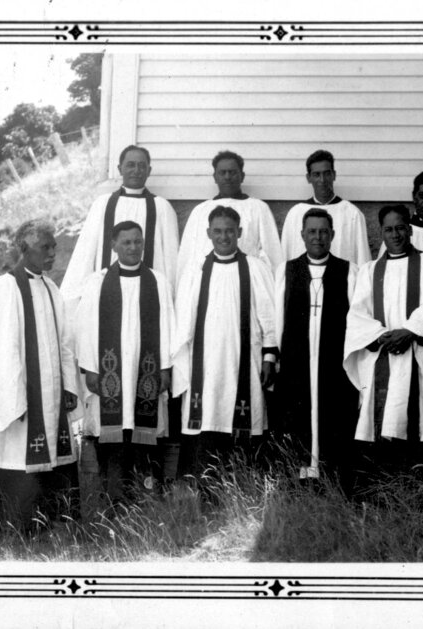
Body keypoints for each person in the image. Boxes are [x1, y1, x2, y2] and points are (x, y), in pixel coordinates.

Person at [0, 219, 80, 533]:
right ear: (23, 249)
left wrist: (68, 385)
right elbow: (0, 349)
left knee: (54, 451)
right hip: (22, 396)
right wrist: (13, 397)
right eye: (45, 247)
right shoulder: (5, 288)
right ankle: (10, 519)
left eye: (54, 246)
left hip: (51, 393)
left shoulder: (52, 288)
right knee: (13, 452)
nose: (53, 253)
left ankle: (54, 516)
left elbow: (65, 342)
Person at [343, 205, 423, 472]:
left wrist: (410, 331)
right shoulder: (369, 271)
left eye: (400, 228)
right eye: (389, 229)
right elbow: (358, 317)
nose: (395, 234)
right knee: (388, 433)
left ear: (410, 229)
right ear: (381, 233)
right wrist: (383, 336)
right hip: (386, 359)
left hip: (421, 360)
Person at [73, 221, 174, 509]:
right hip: (109, 372)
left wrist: (165, 367)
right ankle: (114, 495)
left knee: (146, 433)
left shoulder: (157, 281)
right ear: (114, 245)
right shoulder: (98, 282)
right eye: (126, 242)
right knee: (112, 434)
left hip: (146, 371)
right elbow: (85, 326)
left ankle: (146, 494)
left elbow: (168, 325)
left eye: (137, 241)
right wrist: (91, 368)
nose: (133, 247)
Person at [172, 206, 278, 475]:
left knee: (243, 417)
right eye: (217, 231)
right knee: (206, 416)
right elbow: (184, 321)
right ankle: (204, 486)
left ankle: (243, 485)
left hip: (245, 360)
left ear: (239, 232)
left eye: (229, 231)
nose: (223, 237)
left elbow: (269, 317)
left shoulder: (256, 268)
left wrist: (268, 357)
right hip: (204, 365)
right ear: (208, 233)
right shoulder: (196, 269)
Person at [274, 208, 359, 484]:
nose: (318, 237)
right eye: (312, 231)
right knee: (297, 417)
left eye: (324, 231)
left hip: (333, 365)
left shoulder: (349, 272)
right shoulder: (287, 271)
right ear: (302, 235)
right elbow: (278, 321)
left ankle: (332, 479)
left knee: (334, 417)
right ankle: (299, 479)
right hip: (297, 363)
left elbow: (356, 323)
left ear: (332, 235)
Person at [61, 145, 180, 312]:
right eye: (130, 165)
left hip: (148, 295)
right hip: (108, 292)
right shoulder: (102, 204)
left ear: (149, 170)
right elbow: (85, 252)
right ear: (120, 169)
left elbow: (171, 260)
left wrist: (172, 299)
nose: (136, 170)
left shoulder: (162, 207)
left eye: (142, 166)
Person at [177, 150, 283, 281]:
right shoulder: (200, 211)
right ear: (215, 177)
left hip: (247, 279)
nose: (227, 177)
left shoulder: (258, 208)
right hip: (208, 280)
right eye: (222, 173)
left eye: (232, 172)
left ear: (242, 176)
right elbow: (187, 256)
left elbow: (272, 254)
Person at [279, 150, 371, 266]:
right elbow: (285, 259)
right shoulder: (296, 213)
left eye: (326, 173)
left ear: (334, 175)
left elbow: (363, 260)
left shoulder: (352, 213)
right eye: (316, 174)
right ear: (308, 178)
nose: (322, 180)